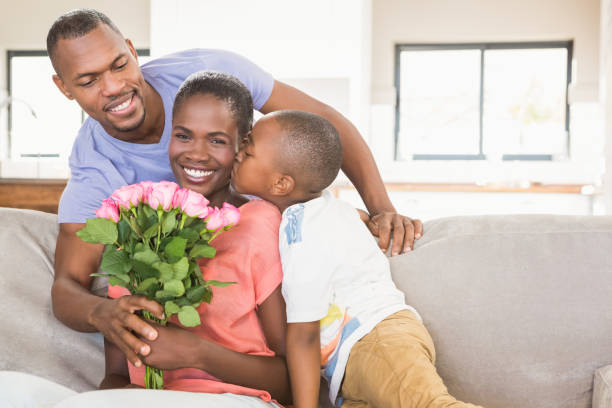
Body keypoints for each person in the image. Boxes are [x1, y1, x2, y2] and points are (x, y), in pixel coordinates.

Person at [48, 9, 423, 369]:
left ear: (131, 49)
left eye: (119, 64)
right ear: (63, 88)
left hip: (279, 238)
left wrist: (380, 207)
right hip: (234, 288)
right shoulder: (94, 168)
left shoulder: (207, 72)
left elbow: (323, 124)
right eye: (88, 80)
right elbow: (67, 285)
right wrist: (100, 312)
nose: (114, 86)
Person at [231, 110, 481, 408]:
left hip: (375, 341)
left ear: (281, 184)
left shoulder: (301, 228)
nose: (236, 154)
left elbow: (304, 334)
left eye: (247, 153)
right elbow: (358, 218)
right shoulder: (332, 209)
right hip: (357, 365)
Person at [101, 71, 290, 406]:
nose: (197, 154)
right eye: (184, 136)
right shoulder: (137, 223)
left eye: (217, 140)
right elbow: (115, 374)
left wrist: (196, 353)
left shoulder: (260, 223)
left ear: (242, 145)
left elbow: (292, 379)